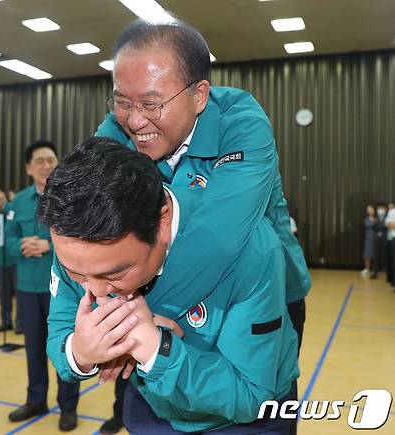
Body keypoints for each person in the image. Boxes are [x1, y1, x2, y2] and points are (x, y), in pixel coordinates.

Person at [95, 19, 310, 430]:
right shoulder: (115, 130)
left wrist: (133, 324)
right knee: (164, 384)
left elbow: (219, 237)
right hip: (152, 294)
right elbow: (81, 224)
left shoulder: (241, 123)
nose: (135, 121)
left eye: (152, 104)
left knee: (254, 400)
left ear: (199, 95)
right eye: (122, 101)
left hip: (256, 292)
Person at [38, 137, 299, 434]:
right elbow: (60, 334)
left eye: (116, 273)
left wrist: (155, 349)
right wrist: (82, 352)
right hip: (149, 409)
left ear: (161, 223)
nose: (96, 292)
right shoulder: (77, 243)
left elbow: (252, 395)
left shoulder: (250, 250)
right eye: (77, 274)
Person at [6, 140, 80, 432]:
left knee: (64, 347)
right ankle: (36, 400)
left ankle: (68, 406)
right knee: (33, 348)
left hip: (61, 289)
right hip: (27, 286)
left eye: (51, 159)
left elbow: (79, 239)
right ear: (28, 168)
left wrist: (47, 245)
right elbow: (6, 242)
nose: (47, 165)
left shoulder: (70, 198)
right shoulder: (18, 202)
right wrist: (21, 245)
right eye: (39, 161)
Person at [0, 184, 22, 334]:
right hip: (1, 262)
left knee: (20, 294)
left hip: (16, 261)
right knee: (4, 294)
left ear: (4, 195)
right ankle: (5, 321)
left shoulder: (14, 211)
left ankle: (21, 323)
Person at [371, 202, 388, 279]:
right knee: (375, 256)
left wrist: (380, 224)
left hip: (385, 237)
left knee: (386, 256)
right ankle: (375, 273)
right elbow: (373, 228)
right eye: (378, 208)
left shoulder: (388, 216)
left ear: (385, 209)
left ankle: (388, 272)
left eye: (381, 208)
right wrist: (374, 223)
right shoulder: (375, 217)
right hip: (376, 238)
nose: (379, 210)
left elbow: (387, 226)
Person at [362, 205, 377, 278]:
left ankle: (374, 270)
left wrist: (375, 221)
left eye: (371, 209)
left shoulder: (377, 219)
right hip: (368, 239)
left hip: (376, 240)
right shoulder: (366, 220)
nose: (370, 210)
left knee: (375, 255)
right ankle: (368, 270)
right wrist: (374, 222)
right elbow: (369, 225)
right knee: (367, 255)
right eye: (368, 209)